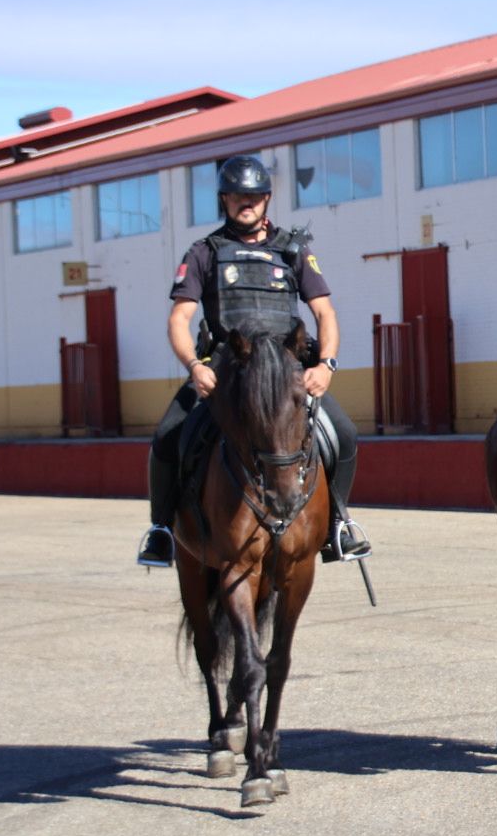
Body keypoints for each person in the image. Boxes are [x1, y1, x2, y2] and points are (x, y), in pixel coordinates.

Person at [136, 155, 371, 567]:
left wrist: (326, 365)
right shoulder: (204, 253)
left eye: (254, 196)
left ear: (266, 199)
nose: (246, 204)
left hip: (287, 374)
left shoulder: (293, 250)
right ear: (224, 200)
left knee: (345, 434)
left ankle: (338, 524)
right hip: (225, 373)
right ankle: (160, 530)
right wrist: (194, 365)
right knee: (168, 435)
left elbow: (325, 313)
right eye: (237, 197)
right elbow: (179, 318)